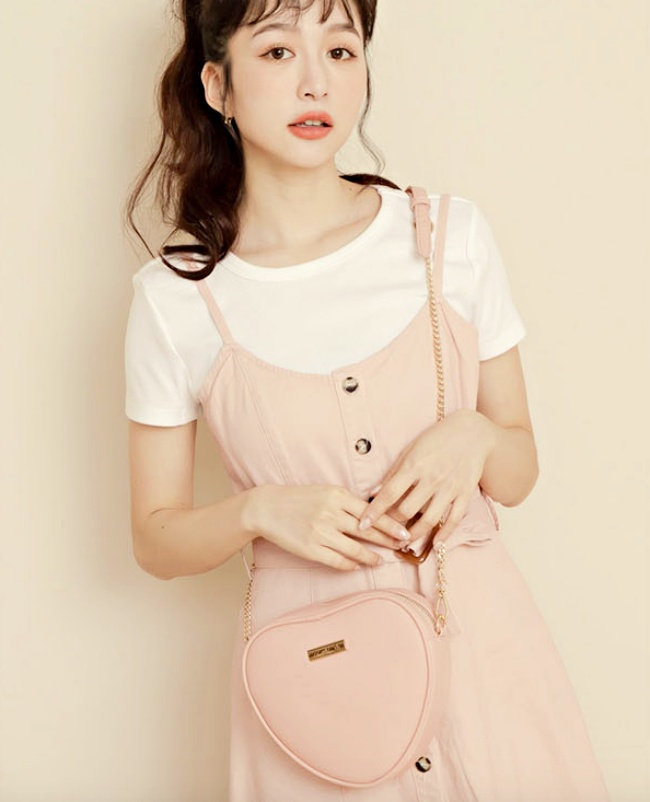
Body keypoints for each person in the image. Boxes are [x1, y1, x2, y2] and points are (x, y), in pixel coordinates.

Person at [124, 0, 612, 799]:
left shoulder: (450, 238)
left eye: (341, 51)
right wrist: (259, 511)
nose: (315, 82)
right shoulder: (176, 298)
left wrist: (475, 436)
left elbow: (519, 470)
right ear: (218, 87)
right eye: (278, 52)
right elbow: (155, 538)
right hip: (318, 697)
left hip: (488, 671)